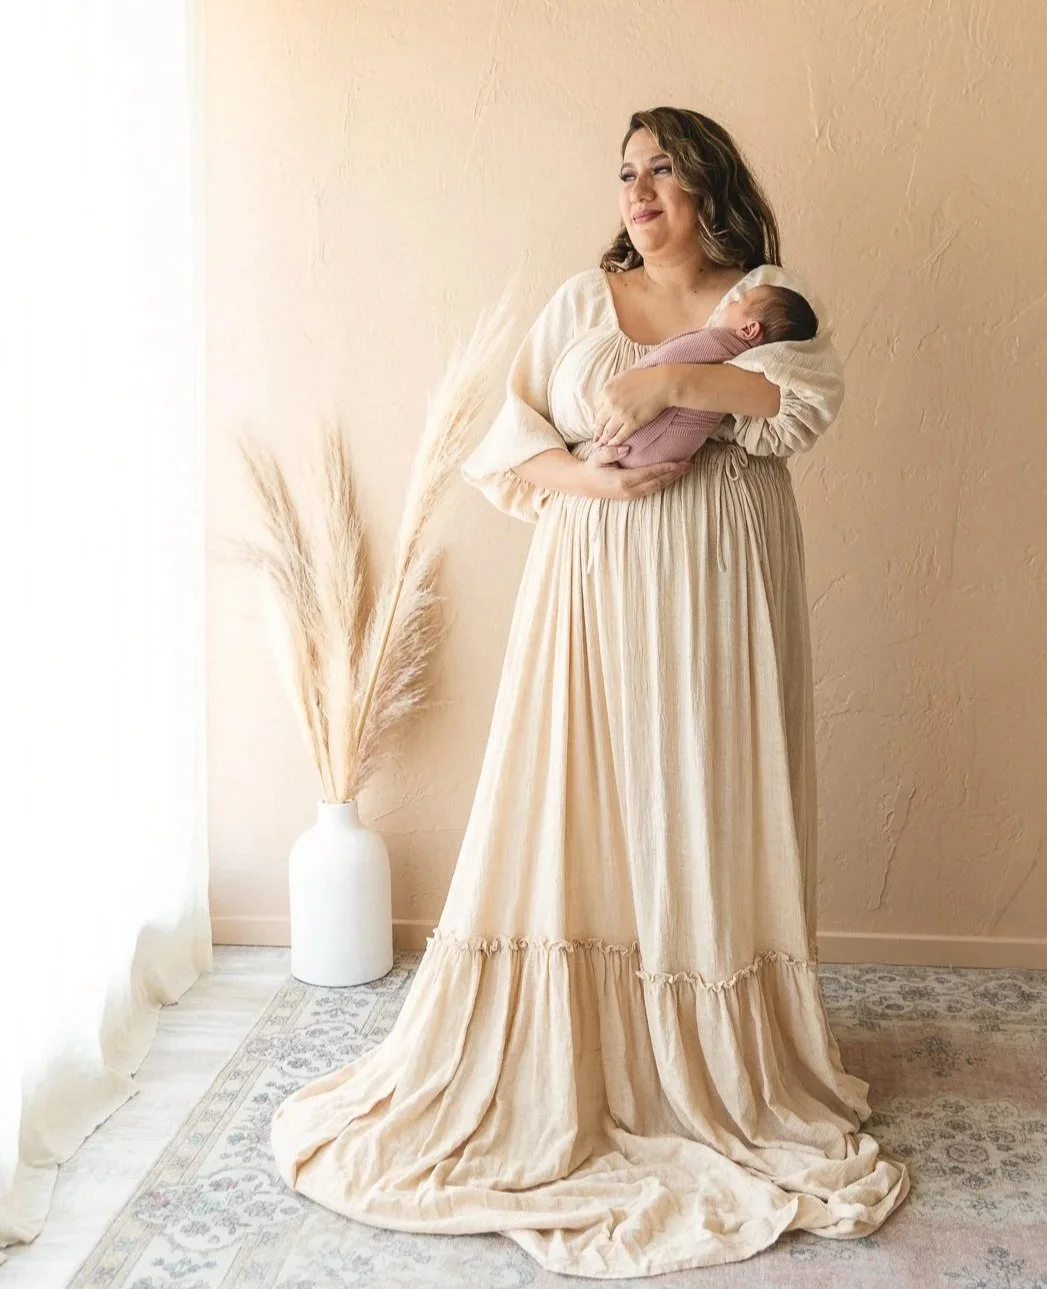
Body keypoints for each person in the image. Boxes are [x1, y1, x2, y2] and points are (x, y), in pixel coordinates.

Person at [270, 105, 910, 1279]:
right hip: (594, 575)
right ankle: (586, 1054)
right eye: (625, 172)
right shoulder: (579, 304)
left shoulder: (763, 296)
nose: (638, 190)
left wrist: (683, 375)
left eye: (661, 168)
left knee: (706, 797)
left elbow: (800, 403)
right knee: (589, 798)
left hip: (722, 579)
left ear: (708, 181)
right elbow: (504, 445)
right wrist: (595, 479)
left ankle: (711, 1064)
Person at [595, 281, 819, 470]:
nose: (730, 301)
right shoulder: (743, 368)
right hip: (657, 456)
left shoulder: (718, 341)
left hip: (634, 445)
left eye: (739, 302)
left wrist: (634, 377)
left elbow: (669, 354)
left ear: (749, 329)